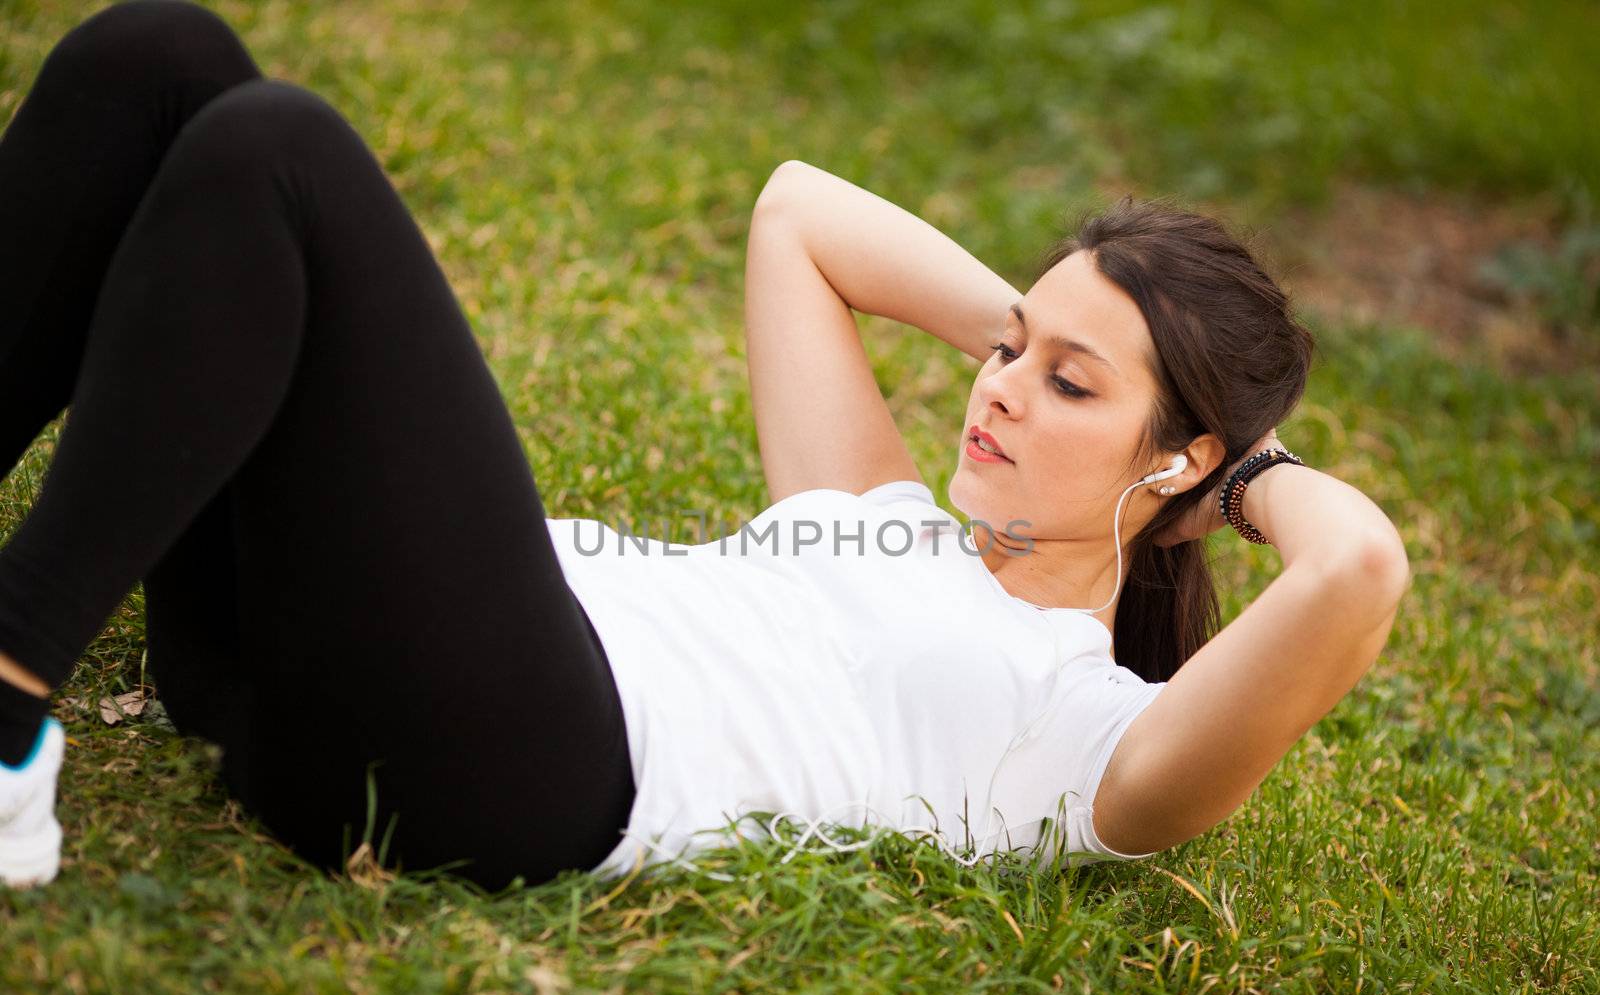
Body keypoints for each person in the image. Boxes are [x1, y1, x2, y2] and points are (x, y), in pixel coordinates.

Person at [0, 1, 1410, 892]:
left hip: (507, 764)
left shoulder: (1094, 743)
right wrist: (1060, 339)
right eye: (1003, 355)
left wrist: (1238, 472)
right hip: (302, 662)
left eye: (1067, 390)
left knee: (280, 147)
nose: (997, 392)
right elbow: (797, 214)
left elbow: (1356, 571)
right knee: (163, 55)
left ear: (1179, 461)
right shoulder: (884, 513)